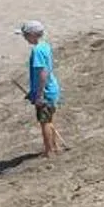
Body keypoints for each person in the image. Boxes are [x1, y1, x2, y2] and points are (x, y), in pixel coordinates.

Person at [21, 20, 61, 157]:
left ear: (33, 35)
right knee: (49, 120)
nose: (24, 37)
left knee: (44, 122)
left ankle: (49, 151)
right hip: (52, 88)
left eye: (25, 35)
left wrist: (39, 95)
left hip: (46, 92)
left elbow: (42, 73)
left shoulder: (37, 51)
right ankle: (54, 147)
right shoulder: (45, 46)